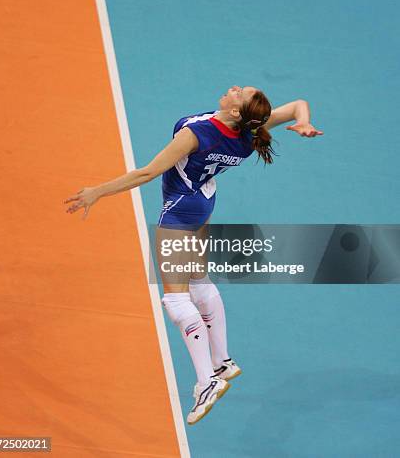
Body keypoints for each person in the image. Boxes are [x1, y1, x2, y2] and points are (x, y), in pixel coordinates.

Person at [64, 85, 323, 424]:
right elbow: (298, 105)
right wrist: (303, 122)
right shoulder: (249, 128)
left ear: (235, 111)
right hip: (203, 201)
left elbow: (147, 172)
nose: (234, 89)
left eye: (239, 93)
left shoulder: (198, 135)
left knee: (175, 300)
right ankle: (223, 361)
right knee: (199, 280)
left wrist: (97, 191)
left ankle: (206, 381)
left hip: (181, 210)